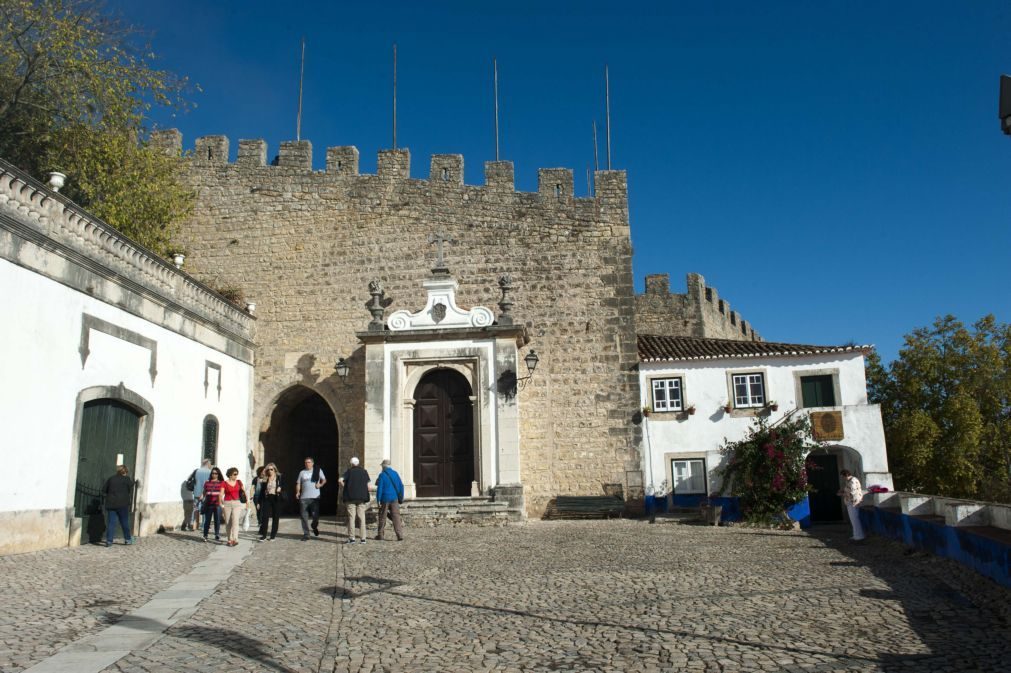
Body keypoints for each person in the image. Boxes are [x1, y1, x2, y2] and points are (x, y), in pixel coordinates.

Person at [340, 457, 371, 544]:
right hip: (361, 498)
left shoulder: (349, 472)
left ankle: (352, 538)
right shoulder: (364, 471)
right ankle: (363, 539)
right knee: (362, 518)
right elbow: (368, 485)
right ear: (358, 463)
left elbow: (340, 480)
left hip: (350, 497)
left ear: (351, 463)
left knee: (351, 518)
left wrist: (345, 487)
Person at [295, 457, 326, 541]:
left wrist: (320, 485)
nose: (307, 464)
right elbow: (298, 483)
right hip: (303, 498)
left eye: (308, 462)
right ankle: (306, 534)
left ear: (312, 463)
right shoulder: (302, 472)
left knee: (315, 516)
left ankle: (314, 526)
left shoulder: (318, 471)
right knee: (304, 517)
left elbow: (324, 480)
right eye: (305, 462)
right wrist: (297, 492)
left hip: (314, 497)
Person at [103, 465, 134, 547]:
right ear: (125, 472)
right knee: (124, 522)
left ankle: (109, 541)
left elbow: (104, 490)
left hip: (111, 504)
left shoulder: (111, 478)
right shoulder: (126, 479)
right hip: (122, 504)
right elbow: (130, 488)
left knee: (111, 523)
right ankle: (127, 539)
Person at [374, 459, 405, 542]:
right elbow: (401, 486)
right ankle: (399, 535)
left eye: (382, 466)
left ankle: (380, 534)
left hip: (384, 498)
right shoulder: (395, 474)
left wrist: (378, 500)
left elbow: (380, 488)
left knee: (382, 516)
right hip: (394, 498)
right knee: (396, 516)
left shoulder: (382, 475)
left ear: (383, 466)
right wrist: (401, 497)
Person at [256, 463, 283, 541]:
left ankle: (272, 536)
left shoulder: (279, 477)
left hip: (276, 498)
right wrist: (259, 502)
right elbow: (262, 491)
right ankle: (264, 535)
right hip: (267, 498)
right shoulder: (265, 478)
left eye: (272, 469)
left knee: (275, 517)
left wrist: (280, 489)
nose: (270, 471)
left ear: (275, 470)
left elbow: (283, 487)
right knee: (265, 517)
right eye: (268, 469)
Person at [221, 467, 246, 547]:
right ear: (230, 475)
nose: (236, 476)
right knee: (228, 522)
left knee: (235, 521)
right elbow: (220, 495)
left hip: (237, 503)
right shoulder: (224, 483)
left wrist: (247, 502)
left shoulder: (239, 482)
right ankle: (229, 539)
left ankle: (235, 539)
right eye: (234, 474)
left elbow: (243, 492)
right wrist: (221, 504)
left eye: (237, 474)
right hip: (227, 503)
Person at [838, 469, 866, 541]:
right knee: (853, 519)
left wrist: (842, 494)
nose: (843, 478)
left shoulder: (852, 481)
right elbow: (849, 490)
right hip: (852, 501)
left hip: (853, 502)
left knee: (854, 519)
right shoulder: (850, 481)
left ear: (846, 475)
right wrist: (843, 491)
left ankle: (859, 536)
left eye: (843, 476)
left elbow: (852, 492)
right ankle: (856, 534)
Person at [202, 466, 224, 542]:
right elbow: (204, 492)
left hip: (217, 504)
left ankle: (217, 534)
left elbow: (221, 494)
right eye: (213, 473)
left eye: (216, 473)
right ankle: (205, 535)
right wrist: (202, 497)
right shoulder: (207, 482)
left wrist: (222, 503)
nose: (214, 475)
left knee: (217, 520)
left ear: (218, 474)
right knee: (207, 521)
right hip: (209, 504)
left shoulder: (221, 483)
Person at [191, 459, 212, 531]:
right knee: (206, 510)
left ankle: (195, 525)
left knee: (196, 508)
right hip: (205, 493)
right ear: (208, 464)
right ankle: (204, 525)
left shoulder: (197, 471)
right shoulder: (209, 472)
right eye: (210, 463)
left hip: (196, 492)